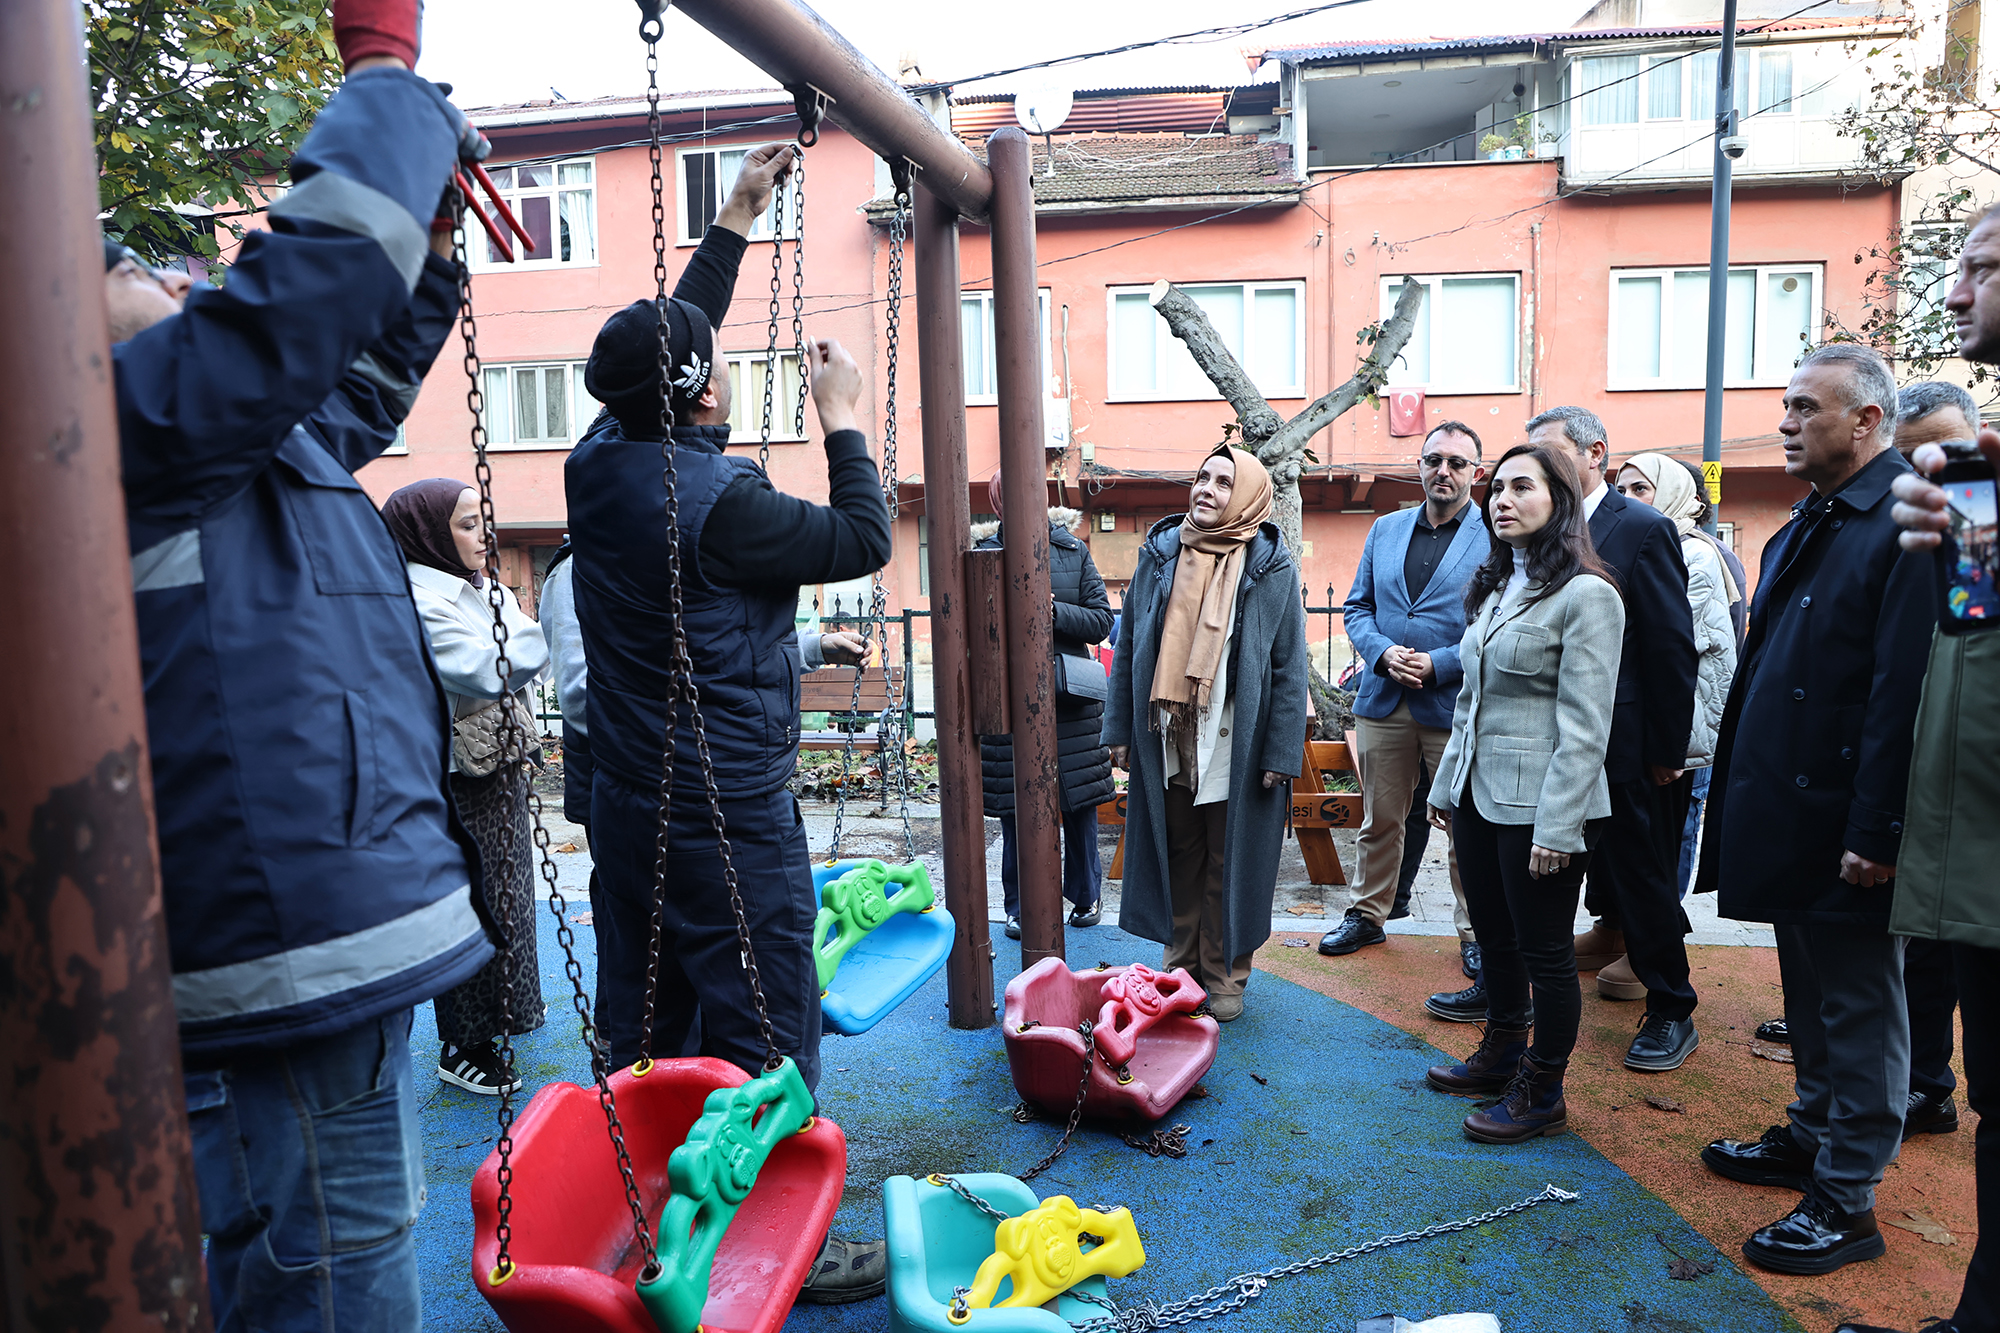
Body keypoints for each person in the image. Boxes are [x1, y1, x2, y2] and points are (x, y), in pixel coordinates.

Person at [110, 5, 491, 1323]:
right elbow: (303, 297)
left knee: (292, 1233)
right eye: (140, 269)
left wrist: (430, 241)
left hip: (292, 910)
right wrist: (384, 75)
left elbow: (353, 377)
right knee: (336, 1249)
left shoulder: (217, 439)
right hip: (286, 929)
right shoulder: (122, 420)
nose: (181, 285)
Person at [564, 143, 893, 1304]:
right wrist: (842, 419)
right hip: (726, 805)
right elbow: (863, 539)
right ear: (701, 396)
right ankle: (776, 1236)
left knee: (646, 1009)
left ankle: (642, 1199)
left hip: (628, 793)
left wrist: (738, 217)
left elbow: (670, 345)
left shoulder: (594, 462)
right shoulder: (723, 505)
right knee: (764, 1015)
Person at [1696, 344, 1936, 1278]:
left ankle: (1847, 1196)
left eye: (1805, 407)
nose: (1786, 422)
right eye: (1787, 405)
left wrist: (1877, 830)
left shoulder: (1907, 518)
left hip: (1848, 821)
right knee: (1809, 995)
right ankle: (1811, 1134)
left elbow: (1901, 694)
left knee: (1861, 1005)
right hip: (1791, 812)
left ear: (1867, 420)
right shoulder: (1812, 517)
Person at [1856, 205, 2000, 1333]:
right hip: (1973, 858)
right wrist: (1968, 541)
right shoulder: (1982, 481)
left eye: (1980, 267)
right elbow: (1974, 634)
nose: (1952, 293)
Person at [1421, 445, 1624, 1144]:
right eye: (1497, 489)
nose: (1501, 500)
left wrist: (1559, 826)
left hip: (1545, 807)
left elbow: (1586, 725)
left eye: (1521, 487)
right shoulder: (1498, 584)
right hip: (1480, 797)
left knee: (1545, 953)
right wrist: (1447, 784)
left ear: (1559, 500)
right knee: (1494, 937)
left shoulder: (1588, 595)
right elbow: (1470, 703)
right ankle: (1503, 1050)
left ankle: (1543, 1090)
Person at [1105, 445, 1309, 1022]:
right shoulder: (1161, 553)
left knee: (1229, 859)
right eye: (1202, 477)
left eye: (1224, 482)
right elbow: (1129, 645)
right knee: (1180, 852)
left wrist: (1281, 751)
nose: (1208, 489)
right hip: (1169, 732)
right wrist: (1119, 728)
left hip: (1235, 737)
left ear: (1246, 497)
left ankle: (1223, 974)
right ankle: (1180, 968)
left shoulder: (1270, 565)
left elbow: (1289, 665)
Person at [1524, 406, 1700, 1072]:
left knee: (1641, 879)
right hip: (1546, 737)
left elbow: (1670, 644)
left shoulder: (1643, 527)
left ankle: (1671, 1008)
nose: (1538, 466)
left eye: (1550, 451)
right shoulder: (1535, 523)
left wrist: (1666, 749)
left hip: (1622, 744)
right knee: (1540, 868)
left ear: (1595, 452)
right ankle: (1513, 991)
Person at [383, 480, 550, 1095]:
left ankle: (505, 1017)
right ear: (429, 534)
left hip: (493, 763)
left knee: (510, 899)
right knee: (475, 904)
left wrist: (516, 639)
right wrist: (520, 639)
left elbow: (518, 650)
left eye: (484, 520)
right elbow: (489, 668)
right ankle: (464, 1043)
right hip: (455, 776)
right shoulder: (420, 599)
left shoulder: (478, 588)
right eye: (465, 524)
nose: (484, 535)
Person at [1322, 423, 1490, 1003]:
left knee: (1465, 826)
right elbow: (1357, 607)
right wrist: (1382, 652)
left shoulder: (1496, 536)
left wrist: (1440, 663)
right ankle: (1367, 915)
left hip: (1453, 702)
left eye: (1457, 463)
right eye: (1433, 460)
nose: (1444, 471)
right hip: (1384, 697)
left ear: (1476, 473)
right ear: (1419, 466)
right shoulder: (1385, 529)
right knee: (1380, 819)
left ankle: (1476, 933)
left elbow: (1496, 624)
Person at [974, 485, 1115, 939]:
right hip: (1009, 697)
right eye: (1004, 495)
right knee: (1015, 807)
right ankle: (1020, 906)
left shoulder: (1072, 550)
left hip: (1069, 695)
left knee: (1079, 801)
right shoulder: (983, 554)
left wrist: (1053, 611)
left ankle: (1086, 895)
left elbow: (1101, 620)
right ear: (996, 503)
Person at [1612, 455, 1740, 901]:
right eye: (1621, 490)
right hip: (1647, 713)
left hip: (1679, 723)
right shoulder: (1643, 542)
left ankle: (1662, 926)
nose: (1627, 499)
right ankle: (1619, 925)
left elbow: (1667, 643)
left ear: (1673, 494)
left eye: (1640, 489)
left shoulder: (1694, 552)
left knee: (1665, 836)